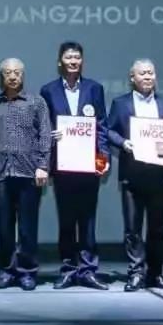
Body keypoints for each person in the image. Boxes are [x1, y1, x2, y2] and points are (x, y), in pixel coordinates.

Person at [39, 42, 110, 291]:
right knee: (67, 220)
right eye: (69, 57)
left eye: (77, 57)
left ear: (82, 61)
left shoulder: (94, 88)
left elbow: (102, 125)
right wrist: (51, 137)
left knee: (88, 220)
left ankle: (88, 270)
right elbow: (44, 127)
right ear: (60, 61)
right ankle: (68, 269)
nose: (73, 61)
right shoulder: (48, 90)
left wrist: (103, 156)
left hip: (88, 164)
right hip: (63, 164)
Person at [106, 58, 163, 292]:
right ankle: (136, 273)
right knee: (133, 228)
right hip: (132, 174)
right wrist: (123, 142)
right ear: (132, 78)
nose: (148, 77)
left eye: (151, 73)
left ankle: (155, 275)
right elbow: (108, 130)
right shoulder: (120, 103)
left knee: (158, 228)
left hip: (160, 174)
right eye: (143, 73)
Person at [0, 58, 51, 291]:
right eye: (8, 72)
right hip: (0, 173)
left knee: (27, 227)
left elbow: (45, 135)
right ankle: (6, 271)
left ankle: (27, 272)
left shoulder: (36, 102)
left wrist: (43, 166)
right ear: (1, 76)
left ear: (23, 75)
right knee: (4, 228)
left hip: (29, 172)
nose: (12, 76)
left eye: (17, 72)